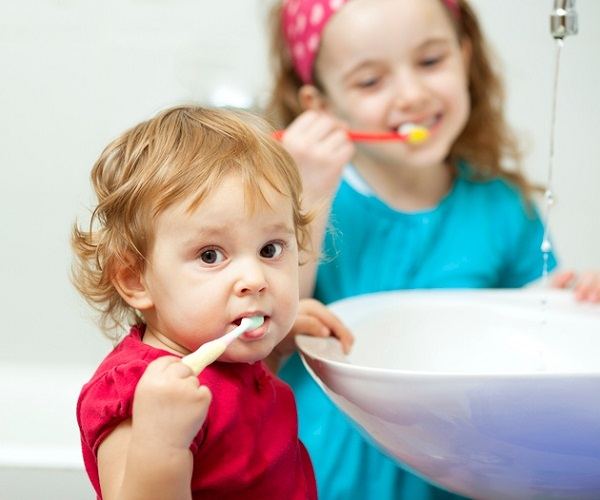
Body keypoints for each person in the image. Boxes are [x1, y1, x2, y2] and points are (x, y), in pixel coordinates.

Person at [264, 0, 600, 498]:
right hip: (331, 473)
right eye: (370, 81)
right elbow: (269, 325)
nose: (412, 95)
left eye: (430, 62)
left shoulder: (502, 206)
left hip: (463, 473)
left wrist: (562, 294)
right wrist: (306, 196)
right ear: (322, 106)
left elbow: (529, 339)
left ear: (466, 57)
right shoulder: (307, 204)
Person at [71, 105, 351, 499]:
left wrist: (278, 348)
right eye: (210, 256)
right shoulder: (138, 394)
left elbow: (235, 412)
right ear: (135, 279)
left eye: (270, 249)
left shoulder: (227, 355)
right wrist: (161, 442)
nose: (255, 280)